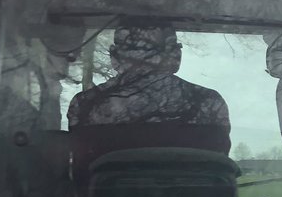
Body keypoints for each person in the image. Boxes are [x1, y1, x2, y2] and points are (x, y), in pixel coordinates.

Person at [67, 20, 231, 183]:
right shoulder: (208, 103)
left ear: (114, 56)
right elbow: (220, 174)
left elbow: (80, 179)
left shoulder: (85, 105)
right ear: (175, 55)